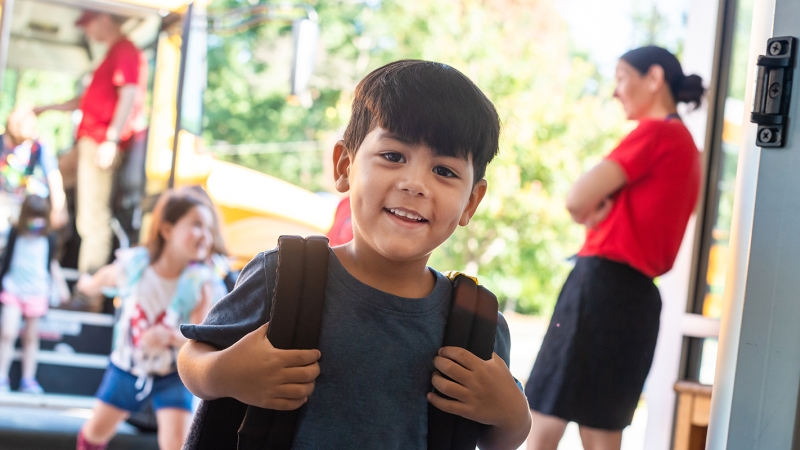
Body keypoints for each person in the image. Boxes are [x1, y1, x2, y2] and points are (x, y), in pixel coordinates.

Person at [177, 60, 532, 449]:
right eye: (394, 156)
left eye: (444, 171)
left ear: (471, 202)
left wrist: (514, 414)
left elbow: (501, 438)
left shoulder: (475, 324)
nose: (415, 183)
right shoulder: (283, 277)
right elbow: (193, 356)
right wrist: (224, 374)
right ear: (344, 165)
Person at [524, 46, 703, 450]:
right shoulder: (688, 148)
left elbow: (575, 199)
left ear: (654, 78)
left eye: (622, 77)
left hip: (600, 286)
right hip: (637, 297)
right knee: (604, 428)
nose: (615, 91)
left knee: (545, 419)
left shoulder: (657, 134)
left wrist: (588, 213)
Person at [73, 190, 224, 450]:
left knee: (177, 444)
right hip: (127, 368)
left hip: (173, 375)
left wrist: (168, 336)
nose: (205, 236)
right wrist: (87, 285)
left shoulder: (201, 282)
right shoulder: (136, 266)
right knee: (95, 432)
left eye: (209, 229)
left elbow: (199, 340)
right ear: (167, 230)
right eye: (197, 225)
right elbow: (105, 278)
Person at [34, 10, 147, 276]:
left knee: (93, 219)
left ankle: (88, 293)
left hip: (99, 144)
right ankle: (45, 258)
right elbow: (84, 101)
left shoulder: (125, 51)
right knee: (46, 185)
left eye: (88, 24)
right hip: (85, 143)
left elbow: (129, 94)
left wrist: (111, 139)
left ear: (105, 18)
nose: (87, 31)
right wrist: (46, 108)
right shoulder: (111, 54)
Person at [0, 195, 70, 393]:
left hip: (37, 292)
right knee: (7, 332)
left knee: (31, 337)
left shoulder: (48, 237)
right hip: (13, 289)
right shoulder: (15, 233)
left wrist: (62, 287)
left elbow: (52, 263)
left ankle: (28, 378)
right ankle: (2, 376)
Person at [0, 108, 68, 247]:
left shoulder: (38, 147)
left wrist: (59, 208)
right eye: (30, 128)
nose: (34, 132)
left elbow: (53, 175)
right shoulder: (2, 142)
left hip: (27, 206)